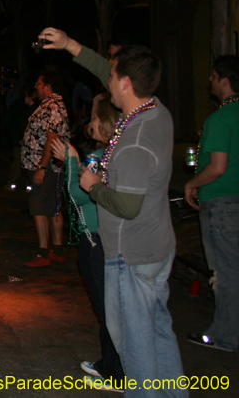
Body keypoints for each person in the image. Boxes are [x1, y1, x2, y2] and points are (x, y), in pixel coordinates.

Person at [40, 27, 187, 397]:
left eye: (112, 74)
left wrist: (93, 185)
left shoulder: (136, 138)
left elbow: (128, 205)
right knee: (157, 333)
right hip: (155, 249)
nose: (106, 78)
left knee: (134, 346)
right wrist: (70, 45)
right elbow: (104, 66)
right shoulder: (154, 111)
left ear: (124, 83)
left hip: (132, 255)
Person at [51, 95, 125, 387]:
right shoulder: (106, 154)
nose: (89, 121)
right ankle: (108, 363)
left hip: (97, 239)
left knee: (108, 309)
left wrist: (72, 163)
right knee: (108, 307)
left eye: (94, 116)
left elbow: (80, 196)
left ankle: (115, 371)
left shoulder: (106, 156)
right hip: (102, 237)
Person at [184, 55, 239, 352]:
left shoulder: (220, 118)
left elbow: (218, 167)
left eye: (213, 76)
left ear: (225, 80)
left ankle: (226, 335)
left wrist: (192, 183)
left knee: (225, 272)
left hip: (221, 203)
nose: (210, 81)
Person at [21, 70, 70, 267]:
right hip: (48, 166)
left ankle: (43, 253)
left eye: (39, 83)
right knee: (52, 206)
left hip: (47, 167)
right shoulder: (50, 106)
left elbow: (53, 138)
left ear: (48, 86)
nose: (36, 86)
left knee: (39, 207)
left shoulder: (54, 106)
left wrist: (42, 166)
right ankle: (56, 251)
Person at [4, 86, 36, 191]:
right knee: (18, 161)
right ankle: (13, 182)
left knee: (27, 163)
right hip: (20, 139)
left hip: (28, 141)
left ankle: (29, 184)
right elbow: (10, 120)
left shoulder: (36, 109)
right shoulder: (18, 105)